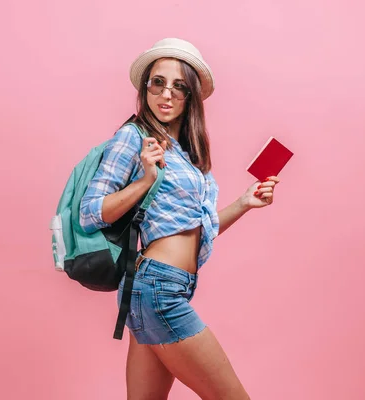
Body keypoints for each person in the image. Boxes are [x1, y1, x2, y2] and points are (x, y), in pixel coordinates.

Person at [79, 38, 280, 400]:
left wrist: (244, 203)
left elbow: (192, 230)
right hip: (157, 288)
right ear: (145, 88)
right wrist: (145, 179)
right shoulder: (133, 138)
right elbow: (91, 211)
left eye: (178, 86)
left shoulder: (185, 153)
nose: (166, 94)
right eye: (157, 83)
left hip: (166, 286)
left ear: (191, 97)